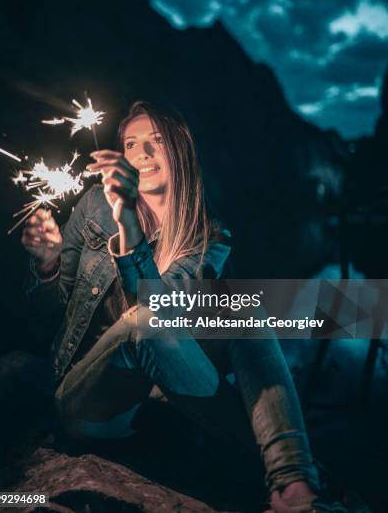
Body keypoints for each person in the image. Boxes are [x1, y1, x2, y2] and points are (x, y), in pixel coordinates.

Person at [22, 101, 320, 512]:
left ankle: (292, 481)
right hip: (87, 400)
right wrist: (47, 265)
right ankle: (271, 461)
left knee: (244, 311)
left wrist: (127, 220)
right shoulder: (94, 206)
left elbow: (165, 308)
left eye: (155, 142)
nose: (141, 153)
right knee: (142, 323)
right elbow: (46, 316)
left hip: (155, 405)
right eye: (131, 143)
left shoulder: (210, 237)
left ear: (179, 151)